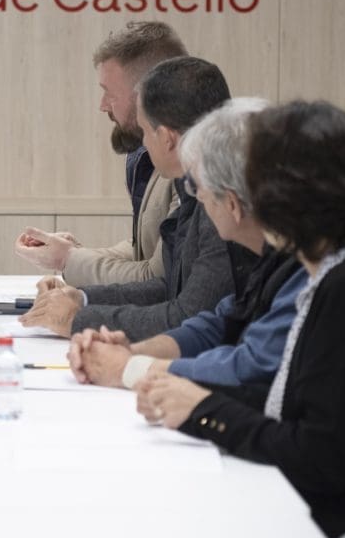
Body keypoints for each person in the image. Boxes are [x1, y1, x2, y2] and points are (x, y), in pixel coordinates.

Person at [135, 100, 345, 538]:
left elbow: (320, 457)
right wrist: (192, 400)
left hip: (330, 535)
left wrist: (205, 409)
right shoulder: (334, 270)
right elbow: (291, 402)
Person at [67, 98, 306, 389]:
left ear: (231, 203)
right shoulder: (272, 256)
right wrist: (132, 351)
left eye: (197, 186)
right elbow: (219, 322)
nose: (197, 196)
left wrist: (130, 368)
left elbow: (250, 366)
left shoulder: (305, 269)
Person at [21, 56, 254, 340]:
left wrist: (77, 319)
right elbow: (171, 287)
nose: (142, 143)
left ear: (167, 138)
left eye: (144, 131)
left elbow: (188, 316)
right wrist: (82, 298)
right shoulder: (193, 190)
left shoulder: (218, 204)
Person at [15, 22, 185, 285]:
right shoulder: (145, 156)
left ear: (147, 95)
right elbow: (144, 249)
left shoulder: (185, 166)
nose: (102, 105)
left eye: (110, 94)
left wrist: (68, 259)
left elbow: (158, 278)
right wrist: (75, 254)